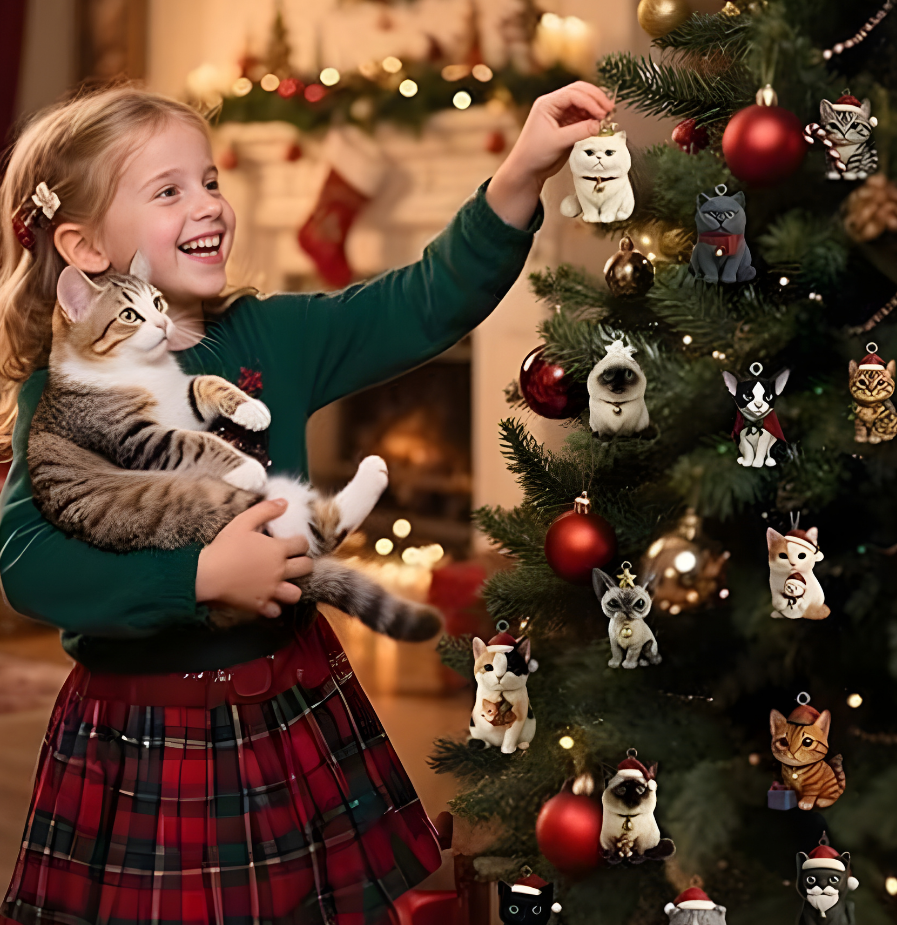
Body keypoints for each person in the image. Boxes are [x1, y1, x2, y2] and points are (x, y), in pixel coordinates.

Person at [0, 80, 612, 924]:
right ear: (85, 246)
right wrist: (198, 577)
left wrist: (521, 172)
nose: (207, 203)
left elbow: (424, 301)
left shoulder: (273, 335)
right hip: (145, 735)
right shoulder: (66, 393)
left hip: (291, 708)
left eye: (209, 179)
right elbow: (31, 565)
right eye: (168, 190)